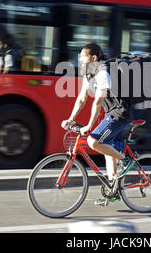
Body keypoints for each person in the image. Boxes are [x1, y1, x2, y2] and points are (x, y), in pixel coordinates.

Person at [61, 43, 134, 206]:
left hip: (119, 114)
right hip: (112, 114)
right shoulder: (89, 73)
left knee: (93, 141)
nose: (80, 59)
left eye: (83, 56)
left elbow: (98, 101)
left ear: (93, 58)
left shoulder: (102, 72)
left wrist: (88, 126)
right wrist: (71, 118)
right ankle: (113, 192)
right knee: (108, 151)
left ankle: (125, 160)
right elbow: (82, 98)